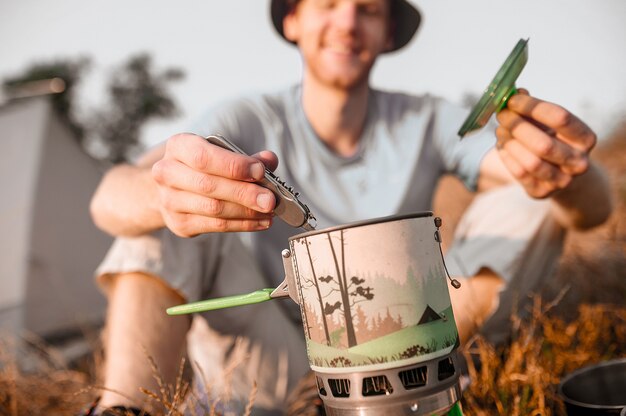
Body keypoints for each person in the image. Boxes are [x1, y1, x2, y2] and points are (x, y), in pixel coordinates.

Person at [86, 0, 612, 414]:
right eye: (328, 3)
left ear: (387, 33)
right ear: (293, 19)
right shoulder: (246, 116)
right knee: (152, 215)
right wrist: (168, 195)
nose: (347, 22)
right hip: (275, 361)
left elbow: (579, 207)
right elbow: (110, 198)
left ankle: (415, 388)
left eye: (368, 8)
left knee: (532, 197)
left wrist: (558, 167)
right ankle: (122, 411)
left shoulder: (426, 119)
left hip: (410, 344)